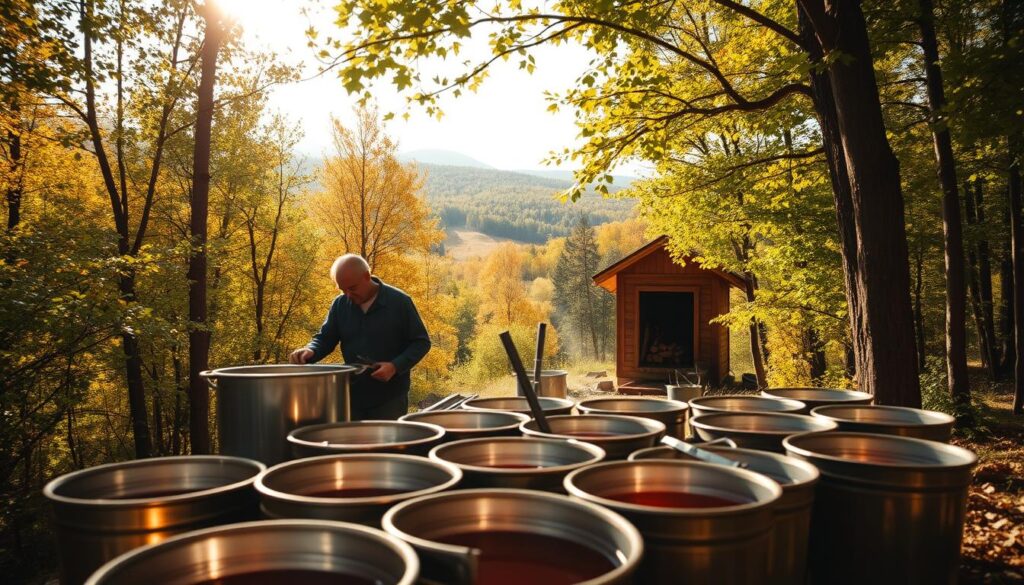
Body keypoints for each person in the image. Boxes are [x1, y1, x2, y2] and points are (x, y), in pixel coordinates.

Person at [289, 254, 431, 420]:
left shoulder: (399, 302)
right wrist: (310, 350)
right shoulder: (340, 304)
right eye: (342, 290)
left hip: (390, 398)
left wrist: (394, 366)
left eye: (352, 288)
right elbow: (325, 339)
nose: (348, 295)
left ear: (366, 277)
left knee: (388, 446)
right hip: (351, 396)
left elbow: (421, 342)